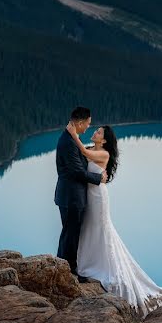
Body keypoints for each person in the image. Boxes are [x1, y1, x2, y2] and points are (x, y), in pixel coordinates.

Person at [64, 120, 162, 317]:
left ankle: (96, 266)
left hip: (98, 197)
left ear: (104, 139)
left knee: (100, 229)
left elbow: (86, 153)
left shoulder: (103, 153)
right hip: (89, 196)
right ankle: (86, 263)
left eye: (98, 132)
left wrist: (73, 133)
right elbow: (82, 153)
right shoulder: (92, 148)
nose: (95, 132)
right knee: (89, 228)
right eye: (96, 130)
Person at [54, 106, 107, 281]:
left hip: (71, 195)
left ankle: (63, 266)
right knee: (71, 233)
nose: (87, 128)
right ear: (79, 122)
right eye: (87, 124)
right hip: (72, 196)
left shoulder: (70, 139)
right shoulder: (68, 142)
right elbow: (77, 172)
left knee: (70, 232)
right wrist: (98, 178)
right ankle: (68, 271)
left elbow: (84, 155)